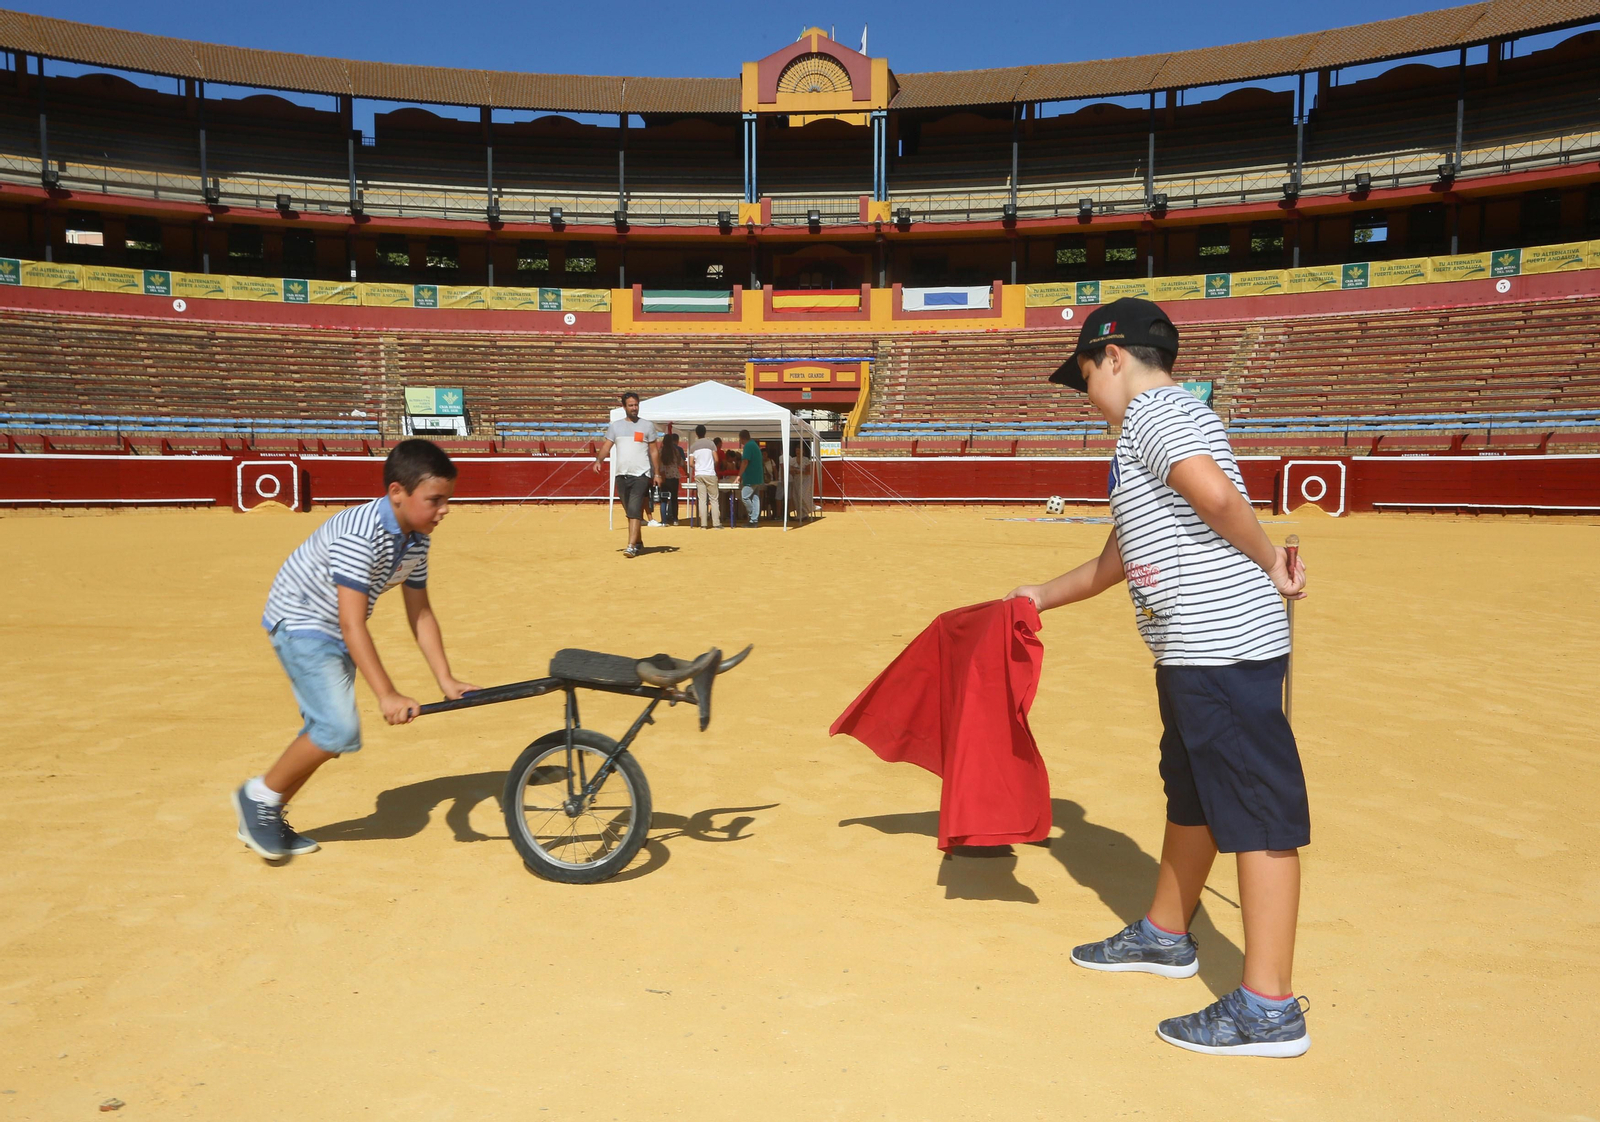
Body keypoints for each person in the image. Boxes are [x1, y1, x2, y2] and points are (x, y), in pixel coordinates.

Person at [1006, 298, 1311, 1058]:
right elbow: (1117, 560)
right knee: (1197, 795)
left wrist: (1270, 561)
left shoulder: (1154, 414)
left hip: (1222, 647)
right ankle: (1167, 934)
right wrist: (1036, 595)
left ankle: (1270, 1008)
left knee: (1257, 812)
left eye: (1084, 377)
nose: (1086, 398)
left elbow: (1214, 495)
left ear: (1113, 356)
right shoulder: (1147, 436)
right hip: (1191, 651)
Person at [233, 439, 478, 861]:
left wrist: (446, 680)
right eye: (435, 500)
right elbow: (350, 622)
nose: (445, 509)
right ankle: (257, 796)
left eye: (447, 500)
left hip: (331, 626)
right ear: (397, 493)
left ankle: (263, 811)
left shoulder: (416, 539)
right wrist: (387, 694)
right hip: (302, 620)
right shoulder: (360, 534)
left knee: (326, 729)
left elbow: (419, 612)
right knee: (337, 729)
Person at [593, 391, 662, 558]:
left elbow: (654, 451)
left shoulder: (647, 426)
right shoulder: (616, 426)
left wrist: (657, 473)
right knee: (629, 510)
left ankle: (631, 546)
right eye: (630, 405)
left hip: (641, 473)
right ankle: (638, 542)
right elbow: (606, 446)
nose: (634, 408)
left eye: (636, 405)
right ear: (624, 407)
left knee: (634, 509)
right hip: (621, 474)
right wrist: (599, 460)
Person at [688, 424, 721, 529]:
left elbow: (690, 463)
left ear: (696, 433)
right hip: (710, 473)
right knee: (714, 499)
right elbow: (716, 459)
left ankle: (703, 524)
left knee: (702, 500)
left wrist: (697, 467)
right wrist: (711, 466)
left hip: (699, 474)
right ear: (705, 432)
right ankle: (716, 523)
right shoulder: (711, 444)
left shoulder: (693, 446)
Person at [737, 428, 764, 526]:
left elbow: (745, 462)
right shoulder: (754, 445)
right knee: (755, 498)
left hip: (750, 477)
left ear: (742, 438)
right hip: (757, 476)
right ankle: (754, 520)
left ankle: (753, 516)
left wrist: (739, 476)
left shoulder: (748, 446)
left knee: (744, 496)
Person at [658, 432, 685, 526]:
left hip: (664, 477)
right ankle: (675, 519)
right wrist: (687, 473)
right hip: (674, 477)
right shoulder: (675, 451)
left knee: (663, 500)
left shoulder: (660, 451)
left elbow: (657, 465)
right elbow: (681, 463)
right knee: (674, 499)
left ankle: (664, 521)